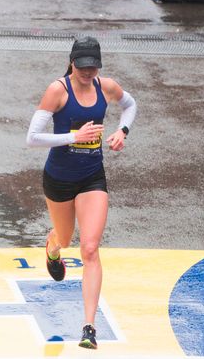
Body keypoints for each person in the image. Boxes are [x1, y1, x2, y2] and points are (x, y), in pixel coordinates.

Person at [26, 36, 137, 349]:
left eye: (93, 67)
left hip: (92, 176)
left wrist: (122, 131)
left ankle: (89, 327)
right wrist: (74, 136)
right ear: (71, 62)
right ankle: (52, 247)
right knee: (65, 238)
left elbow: (130, 105)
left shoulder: (106, 86)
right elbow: (32, 138)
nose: (88, 72)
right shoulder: (57, 90)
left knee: (89, 248)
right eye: (82, 66)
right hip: (59, 179)